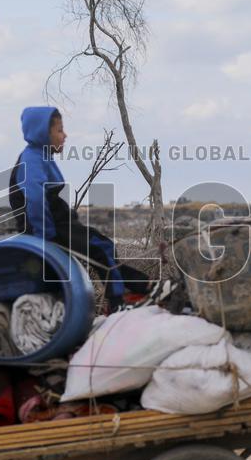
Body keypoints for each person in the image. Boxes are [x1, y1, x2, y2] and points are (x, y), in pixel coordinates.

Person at [8, 106, 151, 310]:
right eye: (59, 130)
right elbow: (35, 197)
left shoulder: (40, 156)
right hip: (52, 227)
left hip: (57, 224)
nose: (65, 136)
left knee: (102, 247)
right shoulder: (32, 158)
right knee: (102, 249)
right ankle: (120, 300)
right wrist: (45, 236)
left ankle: (141, 286)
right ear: (42, 133)